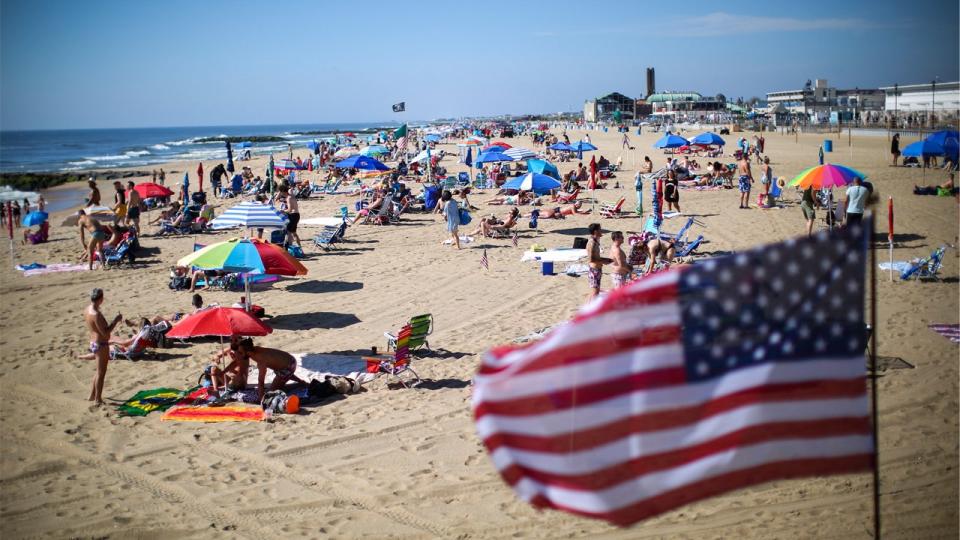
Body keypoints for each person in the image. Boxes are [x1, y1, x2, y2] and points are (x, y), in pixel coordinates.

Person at [79, 288, 122, 407]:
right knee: (101, 373)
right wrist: (116, 321)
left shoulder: (87, 309)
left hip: (93, 342)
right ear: (101, 299)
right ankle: (98, 399)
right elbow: (106, 333)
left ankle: (92, 395)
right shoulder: (96, 315)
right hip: (101, 345)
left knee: (98, 371)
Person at [235, 338, 306, 402]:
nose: (240, 354)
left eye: (241, 353)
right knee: (278, 369)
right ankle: (300, 381)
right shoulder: (254, 350)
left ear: (248, 352)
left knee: (271, 392)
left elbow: (261, 381)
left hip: (288, 367)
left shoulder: (261, 359)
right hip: (289, 360)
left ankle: (297, 384)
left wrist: (261, 398)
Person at [585, 223, 612, 299]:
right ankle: (589, 308)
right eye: (600, 229)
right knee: (595, 292)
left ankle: (588, 308)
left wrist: (606, 260)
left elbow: (595, 257)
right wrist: (604, 261)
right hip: (594, 270)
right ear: (596, 231)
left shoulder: (595, 242)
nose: (601, 231)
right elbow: (591, 259)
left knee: (595, 291)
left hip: (596, 270)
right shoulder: (592, 243)